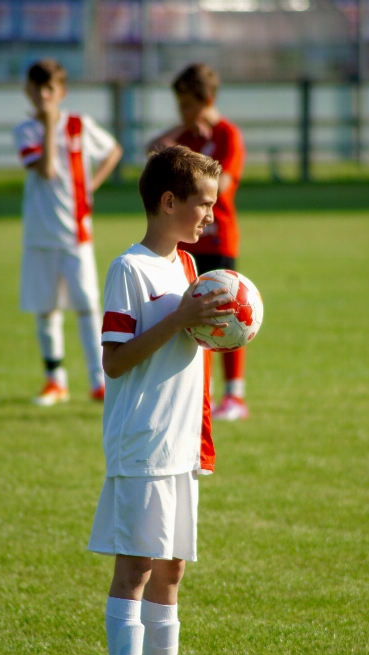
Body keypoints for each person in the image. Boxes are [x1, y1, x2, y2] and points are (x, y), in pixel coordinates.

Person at [88, 146, 232, 655]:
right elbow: (116, 362)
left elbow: (188, 340)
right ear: (168, 202)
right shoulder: (129, 268)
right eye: (204, 204)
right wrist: (179, 320)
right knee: (135, 571)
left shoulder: (189, 264)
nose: (211, 216)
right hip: (144, 444)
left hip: (181, 445)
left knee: (171, 572)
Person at [13, 59, 122, 405]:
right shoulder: (26, 129)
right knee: (46, 308)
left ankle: (98, 380)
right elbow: (45, 170)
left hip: (77, 232)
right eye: (37, 90)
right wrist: (47, 127)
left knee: (88, 305)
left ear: (62, 92)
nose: (43, 97)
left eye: (50, 90)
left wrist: (91, 185)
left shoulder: (79, 124)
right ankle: (55, 380)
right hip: (40, 234)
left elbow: (113, 150)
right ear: (27, 91)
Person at [147, 63, 247, 421]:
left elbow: (222, 187)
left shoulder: (227, 135)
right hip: (187, 243)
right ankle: (195, 393)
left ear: (207, 100)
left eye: (188, 105)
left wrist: (199, 156)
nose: (183, 113)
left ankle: (235, 395)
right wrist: (181, 129)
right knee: (189, 319)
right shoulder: (185, 137)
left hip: (219, 239)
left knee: (230, 314)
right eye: (179, 107)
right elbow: (152, 151)